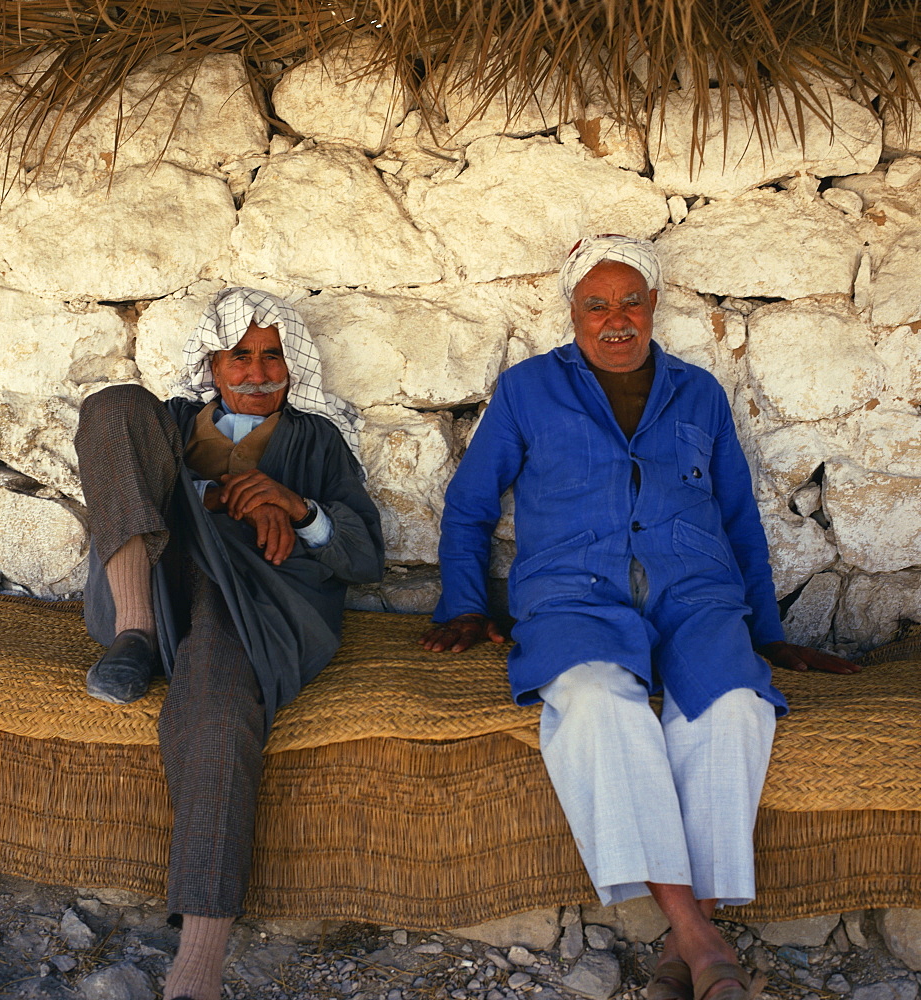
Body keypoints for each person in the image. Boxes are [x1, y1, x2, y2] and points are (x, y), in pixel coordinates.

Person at [420, 236, 857, 1000]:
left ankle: (676, 955)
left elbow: (736, 517)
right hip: (571, 594)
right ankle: (696, 936)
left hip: (696, 593)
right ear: (574, 312)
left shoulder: (699, 393)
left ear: (654, 306)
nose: (615, 319)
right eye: (597, 304)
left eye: (631, 302)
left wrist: (763, 632)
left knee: (737, 709)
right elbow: (469, 506)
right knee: (595, 703)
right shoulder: (528, 391)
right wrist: (462, 601)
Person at [75, 287, 384, 1000]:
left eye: (271, 354)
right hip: (154, 585)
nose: (256, 371)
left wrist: (295, 507)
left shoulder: (317, 440)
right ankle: (134, 635)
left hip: (253, 601)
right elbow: (125, 466)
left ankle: (198, 971)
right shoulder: (173, 422)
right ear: (211, 363)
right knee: (115, 405)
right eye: (238, 355)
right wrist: (218, 495)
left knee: (217, 706)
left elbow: (365, 556)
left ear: (291, 363)